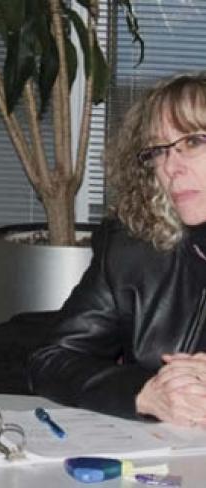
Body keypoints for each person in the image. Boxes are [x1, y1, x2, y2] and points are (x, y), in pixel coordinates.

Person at [28, 72, 206, 427]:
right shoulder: (133, 249)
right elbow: (51, 360)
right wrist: (146, 393)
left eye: (193, 142)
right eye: (158, 150)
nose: (170, 167)